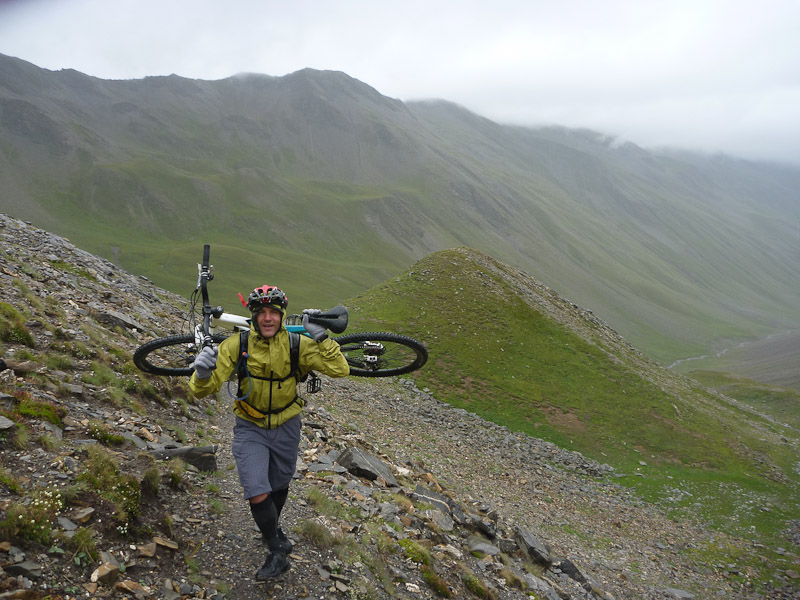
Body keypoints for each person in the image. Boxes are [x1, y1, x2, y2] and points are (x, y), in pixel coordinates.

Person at [189, 285, 350, 580]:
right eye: (260, 312)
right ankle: (276, 550)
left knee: (279, 483)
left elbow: (340, 369)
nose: (266, 318)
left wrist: (322, 337)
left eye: (272, 313)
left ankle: (271, 529)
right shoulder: (236, 345)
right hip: (250, 425)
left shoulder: (296, 344)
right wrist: (201, 375)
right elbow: (206, 389)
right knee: (256, 487)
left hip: (287, 424)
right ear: (253, 315)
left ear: (281, 315)